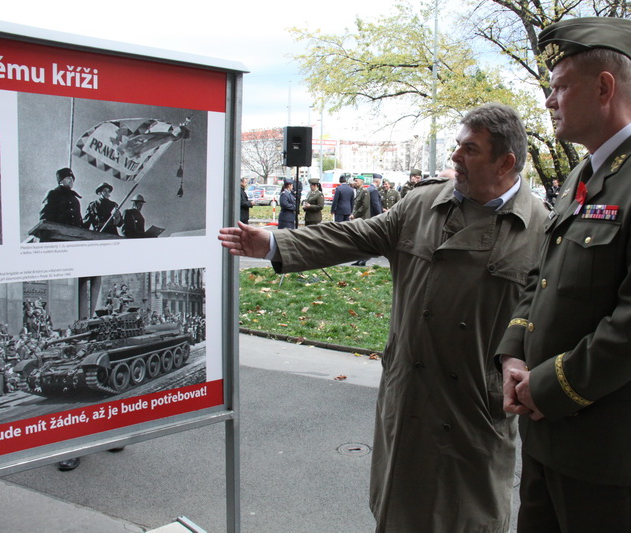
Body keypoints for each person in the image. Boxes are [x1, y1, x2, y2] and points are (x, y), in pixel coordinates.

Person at [220, 102, 548, 532]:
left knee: (468, 518)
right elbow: (356, 235)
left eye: (469, 150)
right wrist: (276, 244)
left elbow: (546, 320)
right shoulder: (422, 203)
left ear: (505, 162)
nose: (455, 158)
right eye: (456, 146)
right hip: (409, 395)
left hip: (474, 408)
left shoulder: (543, 229)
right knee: (398, 513)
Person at [497, 17, 631, 533]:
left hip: (603, 438)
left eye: (560, 87)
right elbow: (543, 277)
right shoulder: (584, 173)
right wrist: (514, 354)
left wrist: (545, 388)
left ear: (604, 87)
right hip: (545, 422)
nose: (549, 101)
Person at [350, 175, 371, 266]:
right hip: (358, 219)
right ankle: (359, 259)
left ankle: (364, 259)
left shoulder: (365, 191)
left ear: (362, 181)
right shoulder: (358, 191)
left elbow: (364, 206)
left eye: (357, 180)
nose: (355, 182)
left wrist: (355, 215)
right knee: (358, 240)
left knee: (363, 240)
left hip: (363, 219)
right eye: (355, 181)